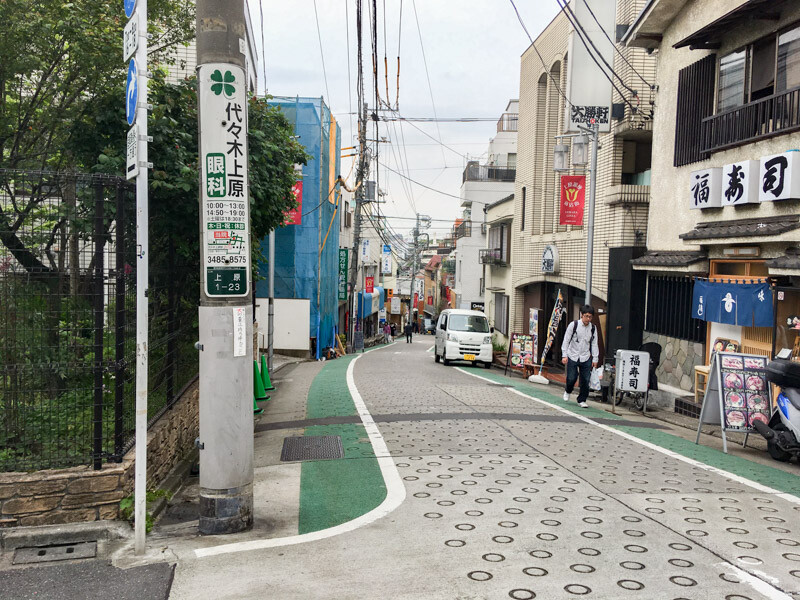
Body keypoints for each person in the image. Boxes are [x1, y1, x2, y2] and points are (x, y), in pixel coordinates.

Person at [561, 305, 599, 408]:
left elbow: (594, 344)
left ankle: (582, 399)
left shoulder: (593, 328)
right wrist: (564, 355)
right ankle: (568, 390)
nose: (588, 319)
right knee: (572, 378)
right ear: (581, 315)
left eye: (590, 317)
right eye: (586, 316)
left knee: (585, 380)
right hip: (573, 355)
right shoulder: (573, 325)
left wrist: (595, 358)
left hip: (586, 356)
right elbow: (566, 340)